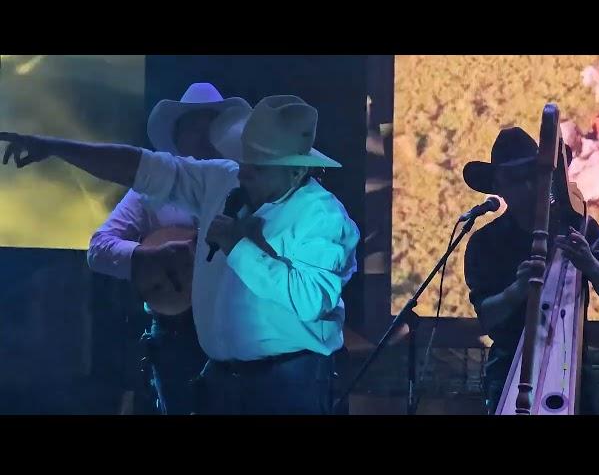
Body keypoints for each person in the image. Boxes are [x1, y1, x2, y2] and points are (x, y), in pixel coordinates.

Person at [1, 94, 360, 414]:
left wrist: (238, 248)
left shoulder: (322, 217)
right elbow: (143, 167)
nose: (243, 173)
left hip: (286, 386)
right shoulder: (223, 180)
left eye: (257, 167)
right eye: (244, 160)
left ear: (296, 171)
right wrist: (57, 148)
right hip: (222, 380)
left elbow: (312, 299)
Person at [87, 82, 248, 414]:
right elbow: (99, 249)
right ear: (178, 135)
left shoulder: (244, 186)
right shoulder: (149, 192)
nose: (203, 137)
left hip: (236, 329)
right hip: (175, 332)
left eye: (211, 128)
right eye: (194, 129)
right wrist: (149, 257)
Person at [462, 127, 599, 414]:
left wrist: (590, 264)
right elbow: (487, 318)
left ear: (548, 178)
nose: (527, 187)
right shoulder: (484, 242)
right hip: (507, 368)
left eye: (532, 175)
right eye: (514, 180)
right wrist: (517, 291)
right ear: (499, 188)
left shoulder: (580, 226)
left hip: (571, 368)